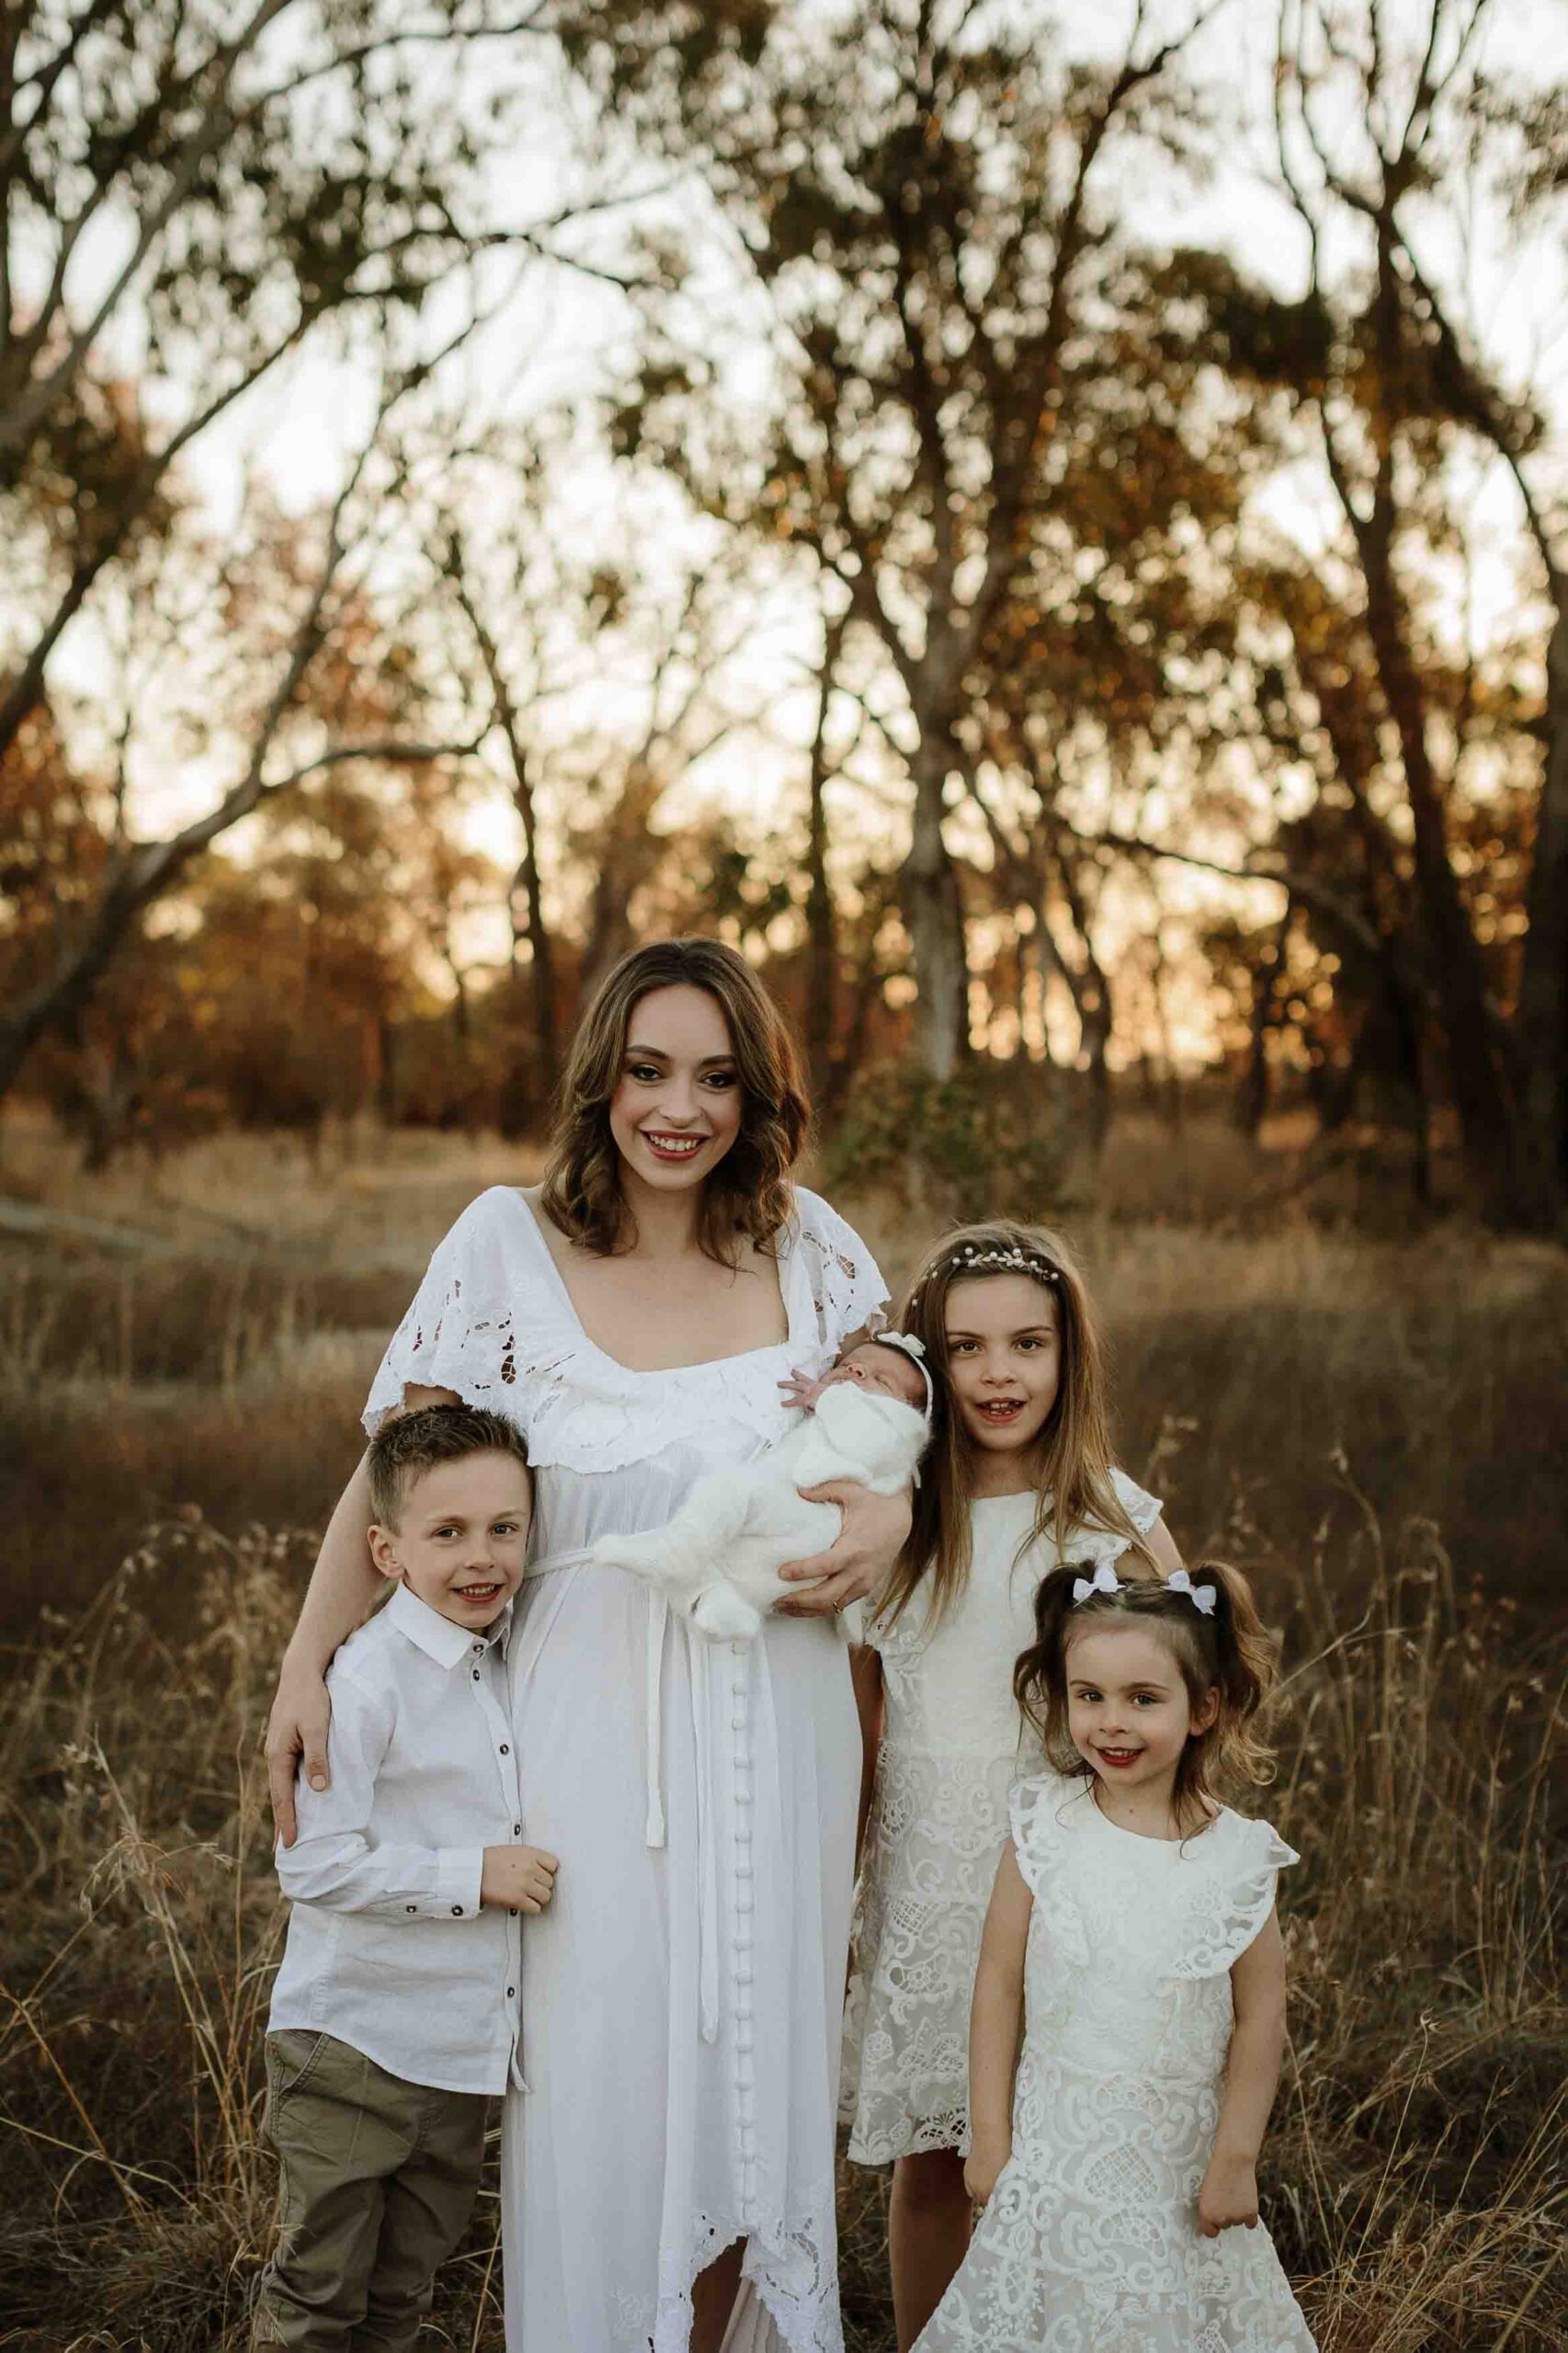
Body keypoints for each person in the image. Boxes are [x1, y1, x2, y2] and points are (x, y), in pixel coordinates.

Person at [264, 938, 909, 2353]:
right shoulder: (503, 1245)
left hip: (785, 1734)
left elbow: (894, 1451)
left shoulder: (813, 1250)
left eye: (718, 1078)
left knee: (756, 2082)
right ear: (599, 1080)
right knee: (606, 2084)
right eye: (648, 1070)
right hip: (579, 1753)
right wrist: (307, 1665)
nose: (680, 1108)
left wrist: (885, 1525)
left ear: (758, 1096)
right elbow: (393, 1470)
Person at [841, 1221, 1182, 2348]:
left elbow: (1182, 1690)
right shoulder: (893, 1527)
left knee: (1078, 2133)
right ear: (928, 1366)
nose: (997, 1374)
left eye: (1026, 1345)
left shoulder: (1110, 1521)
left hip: (1073, 1873)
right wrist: (836, 1887)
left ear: (1066, 1355)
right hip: (936, 1872)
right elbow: (859, 1721)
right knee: (941, 2152)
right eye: (967, 1348)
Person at [913, 1556, 1318, 2353]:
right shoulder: (1043, 1826)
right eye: (1088, 1697)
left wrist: (1237, 2157)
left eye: (1143, 1699)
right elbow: (997, 1984)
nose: (1112, 1723)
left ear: (1203, 1709)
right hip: (1052, 2164)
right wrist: (989, 2135)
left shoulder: (1240, 1861)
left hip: (1175, 2169)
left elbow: (1260, 2016)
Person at [256, 1404, 558, 2351]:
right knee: (318, 2297)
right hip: (353, 2045)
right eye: (448, 1532)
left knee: (400, 2299)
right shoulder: (368, 1677)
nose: (482, 1557)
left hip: (458, 2060)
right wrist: (474, 1874)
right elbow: (312, 1860)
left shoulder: (519, 1657)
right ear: (386, 1552)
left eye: (503, 1528)